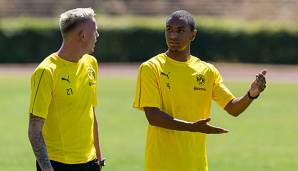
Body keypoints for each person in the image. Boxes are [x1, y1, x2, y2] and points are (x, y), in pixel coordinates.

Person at [133, 10, 267, 171]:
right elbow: (153, 116)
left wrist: (251, 94)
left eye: (180, 30)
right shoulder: (151, 68)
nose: (173, 36)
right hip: (161, 165)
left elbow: (233, 107)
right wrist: (192, 127)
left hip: (197, 165)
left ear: (193, 35)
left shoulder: (207, 71)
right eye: (169, 29)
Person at [28, 8, 105, 171]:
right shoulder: (46, 71)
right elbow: (34, 130)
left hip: (90, 163)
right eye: (95, 31)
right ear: (82, 35)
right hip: (58, 164)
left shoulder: (91, 63)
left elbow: (90, 111)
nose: (97, 36)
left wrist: (98, 157)